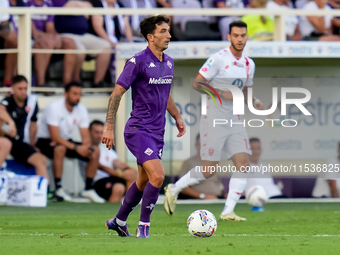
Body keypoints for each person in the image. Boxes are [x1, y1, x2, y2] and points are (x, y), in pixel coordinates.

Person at [164, 20, 264, 221]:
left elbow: (244, 92)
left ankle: (228, 211)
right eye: (235, 35)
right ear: (229, 37)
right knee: (209, 169)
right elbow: (197, 83)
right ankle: (174, 189)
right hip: (214, 118)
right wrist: (220, 92)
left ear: (246, 37)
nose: (239, 39)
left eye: (242, 35)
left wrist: (256, 102)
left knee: (243, 164)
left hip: (234, 119)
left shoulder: (249, 64)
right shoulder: (218, 59)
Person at [101, 15, 185, 238]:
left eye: (169, 31)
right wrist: (109, 127)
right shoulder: (136, 61)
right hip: (138, 130)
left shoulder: (168, 62)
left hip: (157, 132)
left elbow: (165, 94)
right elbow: (117, 94)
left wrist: (176, 116)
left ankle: (118, 221)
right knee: (158, 176)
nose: (169, 35)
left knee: (143, 180)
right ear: (151, 37)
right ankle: (143, 226)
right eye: (164, 31)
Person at [36, 82, 104, 203]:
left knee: (95, 150)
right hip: (45, 141)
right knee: (60, 148)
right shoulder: (54, 107)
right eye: (74, 94)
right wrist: (77, 148)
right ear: (66, 94)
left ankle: (88, 188)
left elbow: (85, 137)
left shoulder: (81, 109)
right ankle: (58, 188)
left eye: (79, 94)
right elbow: (55, 137)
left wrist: (86, 147)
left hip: (66, 141)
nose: (78, 97)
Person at [0, 75, 49, 179]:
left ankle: (44, 191)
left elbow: (33, 124)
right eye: (20, 88)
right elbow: (0, 110)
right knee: (3, 126)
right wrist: (10, 122)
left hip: (19, 142)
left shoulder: (31, 102)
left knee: (40, 159)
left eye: (25, 88)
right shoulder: (8, 101)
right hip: (5, 137)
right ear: (13, 88)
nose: (23, 91)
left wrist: (32, 144)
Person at [27, 0, 76, 87]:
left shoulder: (48, 3)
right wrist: (48, 38)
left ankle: (67, 85)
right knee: (46, 43)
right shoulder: (26, 2)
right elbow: (33, 31)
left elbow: (50, 27)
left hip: (44, 36)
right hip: (28, 37)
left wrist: (54, 37)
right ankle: (40, 83)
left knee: (70, 42)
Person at [88, 120, 137, 202]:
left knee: (132, 172)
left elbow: (117, 162)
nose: (99, 135)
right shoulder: (87, 150)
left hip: (112, 178)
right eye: (96, 132)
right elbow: (99, 166)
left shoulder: (107, 150)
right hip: (98, 181)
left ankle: (130, 207)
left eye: (101, 132)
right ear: (89, 133)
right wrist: (120, 174)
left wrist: (128, 169)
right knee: (119, 188)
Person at [178, 134, 225, 199]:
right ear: (196, 146)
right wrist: (203, 196)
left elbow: (218, 185)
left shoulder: (213, 162)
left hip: (218, 198)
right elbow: (182, 188)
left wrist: (225, 195)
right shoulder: (188, 163)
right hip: (198, 200)